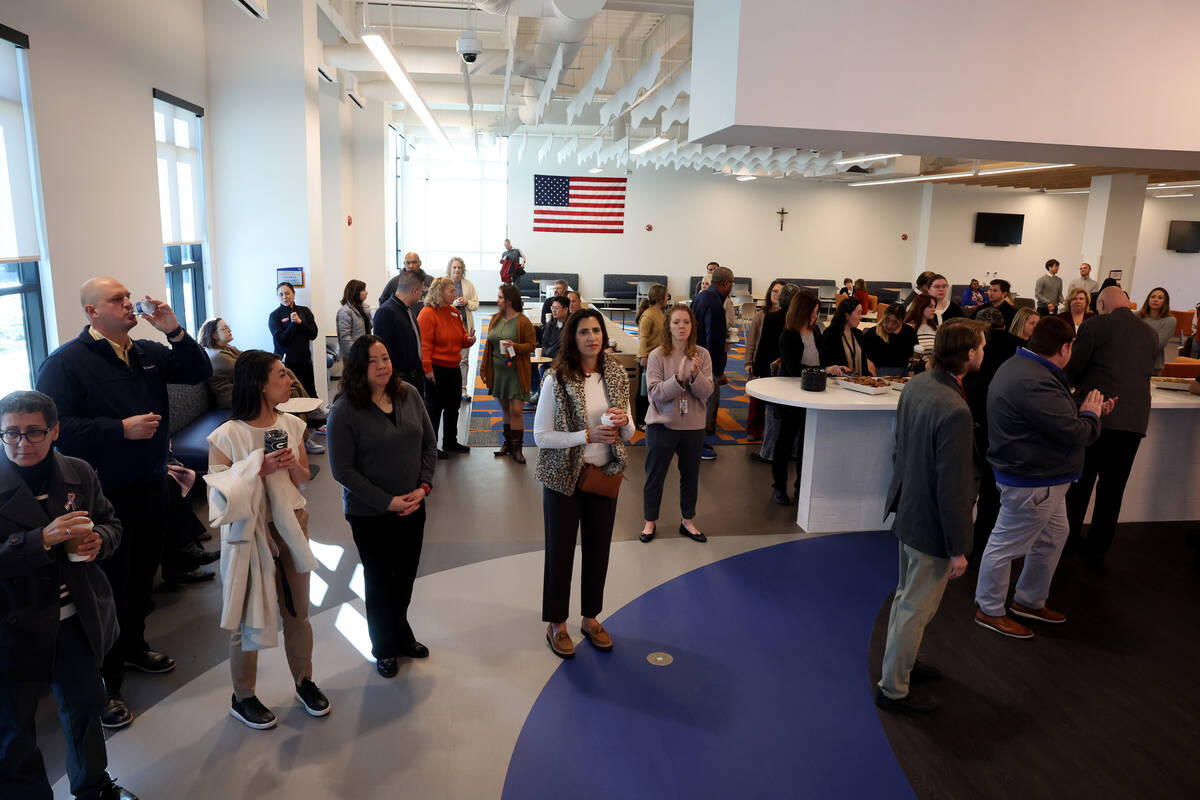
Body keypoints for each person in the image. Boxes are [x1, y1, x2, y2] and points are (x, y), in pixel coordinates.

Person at [36, 277, 212, 730]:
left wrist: (174, 331)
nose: (130, 304)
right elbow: (58, 429)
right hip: (101, 495)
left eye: (128, 296)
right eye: (118, 299)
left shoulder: (147, 353)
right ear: (92, 311)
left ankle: (132, 648)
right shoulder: (66, 363)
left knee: (140, 580)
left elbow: (198, 371)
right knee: (106, 589)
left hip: (151, 485)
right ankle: (103, 685)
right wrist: (120, 429)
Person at [0, 390, 138, 800]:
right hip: (13, 627)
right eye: (10, 434)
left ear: (55, 430)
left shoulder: (78, 472)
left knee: (84, 709)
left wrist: (101, 539)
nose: (21, 443)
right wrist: (38, 540)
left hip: (73, 618)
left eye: (33, 432)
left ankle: (94, 787)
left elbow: (112, 523)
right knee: (13, 731)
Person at [205, 350, 328, 730]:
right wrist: (258, 469)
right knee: (248, 617)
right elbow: (220, 497)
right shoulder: (227, 435)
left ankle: (304, 681)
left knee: (298, 614)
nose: (289, 380)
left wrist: (291, 465)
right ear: (260, 383)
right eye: (280, 374)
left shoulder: (293, 424)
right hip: (248, 534)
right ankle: (242, 696)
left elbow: (304, 478)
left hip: (292, 522)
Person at [974, 317, 1112, 639]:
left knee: (1053, 536)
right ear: (1065, 347)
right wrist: (1090, 415)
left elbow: (1050, 416)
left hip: (1039, 476)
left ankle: (1028, 600)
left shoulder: (1024, 368)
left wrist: (1089, 409)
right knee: (1004, 545)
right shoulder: (1036, 380)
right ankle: (989, 609)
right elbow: (1075, 433)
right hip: (1033, 480)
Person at [875, 319, 986, 714]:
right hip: (932, 524)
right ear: (969, 354)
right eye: (982, 347)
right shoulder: (954, 408)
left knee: (907, 598)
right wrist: (959, 548)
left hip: (909, 509)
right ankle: (894, 689)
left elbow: (899, 448)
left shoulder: (920, 384)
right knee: (916, 607)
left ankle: (901, 663)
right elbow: (953, 487)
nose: (984, 353)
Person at [327, 336, 436, 679]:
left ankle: (400, 633)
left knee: (404, 576)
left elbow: (429, 445)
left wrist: (423, 487)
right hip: (370, 514)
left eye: (385, 357)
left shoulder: (410, 395)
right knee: (379, 580)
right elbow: (341, 470)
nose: (382, 365)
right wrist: (386, 501)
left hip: (413, 506)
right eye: (373, 360)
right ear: (359, 366)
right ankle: (383, 646)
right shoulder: (345, 410)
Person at [533, 309, 634, 659]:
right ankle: (557, 624)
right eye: (584, 332)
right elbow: (541, 436)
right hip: (564, 478)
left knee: (598, 552)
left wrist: (623, 422)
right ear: (572, 339)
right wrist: (585, 435)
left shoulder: (617, 374)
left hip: (603, 475)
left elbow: (632, 431)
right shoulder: (556, 378)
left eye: (596, 331)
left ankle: (590, 617)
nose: (592, 337)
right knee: (560, 553)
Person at [1065, 286, 1158, 564]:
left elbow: (1074, 366)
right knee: (1113, 489)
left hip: (1099, 414)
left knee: (1080, 485)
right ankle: (1097, 549)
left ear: (1102, 303)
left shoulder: (1095, 325)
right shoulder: (1149, 332)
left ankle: (1067, 543)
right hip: (1133, 420)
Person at [640, 304, 714, 544]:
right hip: (661, 425)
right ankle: (650, 521)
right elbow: (656, 393)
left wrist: (694, 376)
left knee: (690, 476)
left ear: (692, 326)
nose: (681, 326)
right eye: (676, 322)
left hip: (692, 427)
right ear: (668, 326)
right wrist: (679, 378)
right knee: (655, 475)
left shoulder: (702, 355)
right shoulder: (656, 355)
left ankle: (688, 520)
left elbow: (707, 392)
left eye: (686, 322)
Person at [199, 318, 325, 454]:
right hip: (232, 397)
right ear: (214, 334)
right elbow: (248, 368)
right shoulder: (217, 356)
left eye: (228, 326)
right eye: (224, 328)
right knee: (287, 390)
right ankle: (304, 436)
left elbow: (249, 357)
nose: (229, 330)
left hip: (242, 390)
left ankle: (307, 423)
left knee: (286, 376)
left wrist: (271, 362)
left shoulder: (227, 348)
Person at [773, 291, 848, 505]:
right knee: (785, 443)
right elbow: (793, 368)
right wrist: (824, 368)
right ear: (803, 312)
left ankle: (800, 485)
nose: (816, 317)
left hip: (812, 393)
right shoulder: (787, 335)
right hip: (792, 396)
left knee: (808, 442)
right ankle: (779, 486)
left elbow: (821, 357)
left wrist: (833, 367)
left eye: (817, 313)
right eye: (813, 313)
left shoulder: (814, 331)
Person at [962, 306, 1022, 563]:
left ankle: (960, 542)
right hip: (1001, 423)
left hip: (971, 414)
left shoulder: (971, 346)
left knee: (964, 487)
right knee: (991, 492)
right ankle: (982, 545)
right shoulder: (1019, 347)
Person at [417, 277, 477, 457]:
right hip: (436, 369)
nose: (455, 294)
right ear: (439, 293)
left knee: (453, 406)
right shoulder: (427, 313)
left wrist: (469, 341)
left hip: (453, 367)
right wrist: (427, 370)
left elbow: (461, 339)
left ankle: (450, 442)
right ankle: (431, 448)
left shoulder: (453, 312)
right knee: (435, 409)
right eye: (451, 291)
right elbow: (424, 346)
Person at [483, 283, 537, 464]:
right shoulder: (495, 318)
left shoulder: (523, 321)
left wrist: (515, 346)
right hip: (499, 372)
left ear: (509, 300)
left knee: (516, 410)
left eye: (500, 297)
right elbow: (489, 344)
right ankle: (507, 443)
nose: (497, 300)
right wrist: (485, 368)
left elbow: (531, 345)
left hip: (516, 372)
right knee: (505, 408)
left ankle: (518, 448)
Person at [752, 283, 801, 464]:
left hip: (774, 372)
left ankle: (769, 452)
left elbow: (764, 347)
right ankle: (794, 451)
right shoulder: (802, 320)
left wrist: (758, 372)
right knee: (794, 412)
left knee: (773, 413)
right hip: (795, 372)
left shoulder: (773, 318)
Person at [692, 266, 735, 461]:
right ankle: (697, 444)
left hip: (694, 355)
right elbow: (714, 339)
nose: (732, 287)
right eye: (732, 283)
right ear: (726, 283)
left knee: (697, 404)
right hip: (704, 361)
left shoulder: (701, 296)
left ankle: (699, 441)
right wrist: (717, 371)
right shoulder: (716, 303)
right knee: (702, 404)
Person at [373, 270, 428, 397]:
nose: (421, 295)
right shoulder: (386, 312)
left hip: (414, 377)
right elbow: (381, 352)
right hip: (399, 381)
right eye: (421, 291)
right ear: (414, 291)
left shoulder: (408, 309)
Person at [744, 280, 784, 441]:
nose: (777, 295)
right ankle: (754, 429)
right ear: (769, 293)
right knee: (757, 400)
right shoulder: (761, 316)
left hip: (781, 363)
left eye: (780, 292)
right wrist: (748, 362)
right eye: (774, 291)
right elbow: (751, 340)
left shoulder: (789, 316)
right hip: (761, 361)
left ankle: (774, 432)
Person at [268, 281, 319, 397]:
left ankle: (314, 414)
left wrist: (300, 322)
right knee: (291, 395)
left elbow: (313, 334)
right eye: (281, 294)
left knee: (310, 392)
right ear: (277, 296)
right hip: (286, 364)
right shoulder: (274, 316)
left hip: (304, 360)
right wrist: (293, 324)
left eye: (287, 293)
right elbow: (281, 340)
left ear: (294, 294)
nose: (284, 297)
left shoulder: (304, 311)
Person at [635, 283, 668, 428]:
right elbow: (642, 337)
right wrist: (643, 357)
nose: (668, 298)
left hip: (657, 358)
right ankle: (641, 421)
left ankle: (652, 416)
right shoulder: (648, 315)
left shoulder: (659, 312)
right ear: (661, 299)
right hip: (647, 359)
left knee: (653, 390)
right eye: (667, 295)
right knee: (643, 392)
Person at [446, 257, 479, 395]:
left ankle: (463, 389)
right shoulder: (444, 284)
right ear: (450, 269)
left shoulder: (468, 285)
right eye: (454, 267)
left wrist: (466, 302)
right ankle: (450, 387)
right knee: (449, 357)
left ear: (463, 270)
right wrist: (454, 303)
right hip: (448, 326)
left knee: (464, 359)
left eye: (459, 267)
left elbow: (475, 304)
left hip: (464, 325)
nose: (457, 270)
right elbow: (439, 304)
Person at [863, 303, 918, 377]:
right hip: (877, 373)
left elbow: (914, 356)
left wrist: (912, 366)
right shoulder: (873, 333)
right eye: (887, 320)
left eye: (895, 323)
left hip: (902, 375)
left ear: (902, 321)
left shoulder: (909, 332)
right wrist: (868, 363)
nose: (889, 325)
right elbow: (861, 355)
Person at [820, 297, 868, 374]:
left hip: (860, 383)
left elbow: (864, 365)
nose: (861, 317)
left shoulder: (858, 334)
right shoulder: (830, 336)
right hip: (837, 383)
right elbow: (826, 363)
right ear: (847, 315)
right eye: (858, 313)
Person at [1137, 287, 1175, 373]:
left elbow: (1157, 344)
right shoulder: (1137, 316)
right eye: (1153, 297)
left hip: (1152, 365)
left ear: (1165, 302)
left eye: (1160, 298)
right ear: (1148, 299)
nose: (1155, 300)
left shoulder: (1169, 320)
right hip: (1131, 361)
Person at [335, 279, 372, 364]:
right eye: (363, 290)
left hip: (365, 351)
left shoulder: (363, 308)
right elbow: (345, 337)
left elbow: (368, 327)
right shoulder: (345, 311)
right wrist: (356, 353)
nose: (366, 292)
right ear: (355, 292)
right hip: (354, 355)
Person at [905, 293, 939, 367]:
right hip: (913, 369)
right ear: (920, 307)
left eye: (934, 306)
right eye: (930, 306)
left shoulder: (936, 329)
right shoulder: (907, 328)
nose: (934, 309)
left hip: (932, 369)